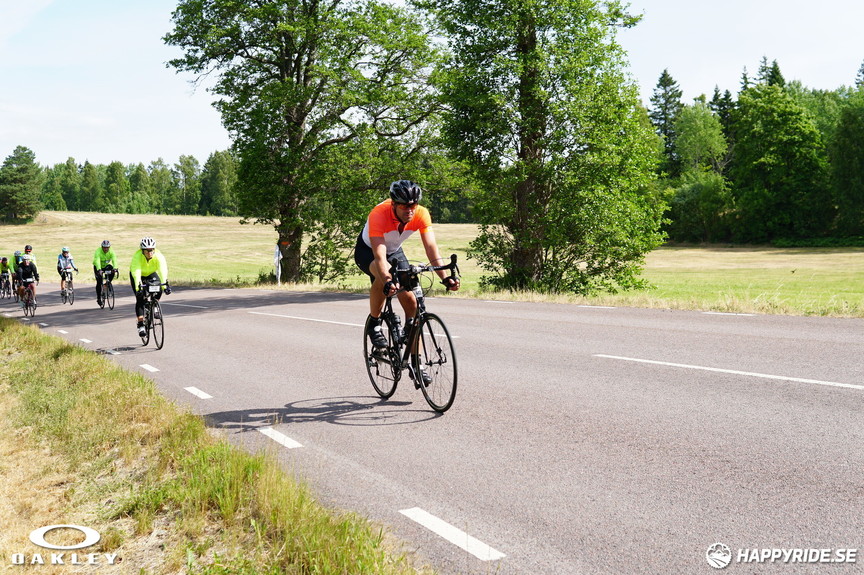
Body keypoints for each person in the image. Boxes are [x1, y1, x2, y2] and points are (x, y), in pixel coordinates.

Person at [354, 180, 460, 383]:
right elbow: (379, 253)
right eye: (404, 206)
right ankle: (374, 323)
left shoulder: (421, 213)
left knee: (413, 305)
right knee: (381, 274)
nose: (410, 210)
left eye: (413, 205)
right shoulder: (378, 214)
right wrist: (387, 279)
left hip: (394, 252)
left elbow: (431, 249)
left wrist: (445, 278)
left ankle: (416, 363)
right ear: (393, 204)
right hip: (369, 252)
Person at [129, 237, 170, 337]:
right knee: (140, 299)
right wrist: (138, 287)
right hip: (138, 275)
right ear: (142, 251)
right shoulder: (137, 257)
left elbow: (162, 270)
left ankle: (154, 306)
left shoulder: (159, 256)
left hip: (151, 273)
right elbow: (136, 271)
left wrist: (165, 286)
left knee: (159, 287)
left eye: (151, 250)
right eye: (146, 250)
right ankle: (141, 324)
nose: (149, 252)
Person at [93, 239, 118, 306]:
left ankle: (107, 283)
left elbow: (114, 259)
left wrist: (115, 268)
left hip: (106, 266)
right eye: (104, 247)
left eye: (107, 247)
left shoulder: (111, 251)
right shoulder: (98, 251)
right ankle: (98, 298)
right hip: (98, 267)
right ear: (102, 247)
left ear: (109, 247)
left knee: (112, 269)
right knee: (99, 281)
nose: (106, 249)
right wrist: (99, 269)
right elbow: (97, 260)